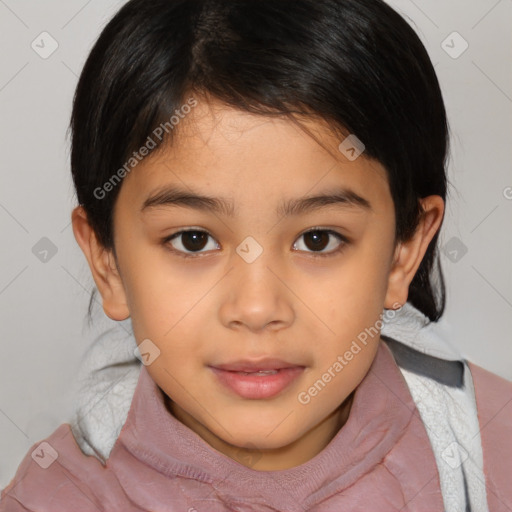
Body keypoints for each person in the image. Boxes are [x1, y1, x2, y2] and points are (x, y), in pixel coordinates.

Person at [1, 0, 510, 510]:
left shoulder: (492, 449)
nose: (257, 308)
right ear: (106, 261)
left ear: (405, 252)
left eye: (318, 239)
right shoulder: (53, 496)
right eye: (193, 240)